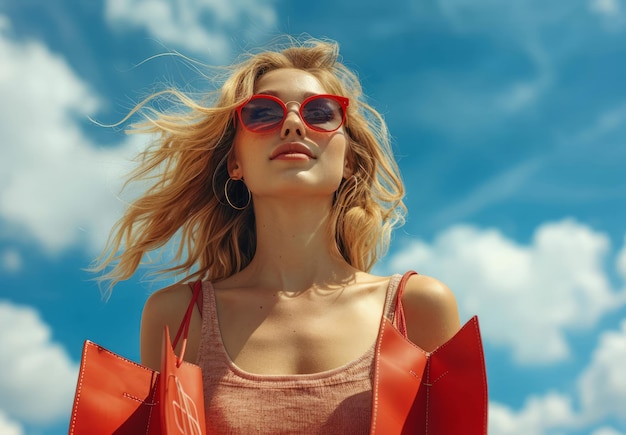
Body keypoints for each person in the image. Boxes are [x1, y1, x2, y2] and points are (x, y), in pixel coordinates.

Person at [97, 37, 462, 434]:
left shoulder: (417, 310)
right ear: (234, 162)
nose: (292, 123)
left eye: (320, 112)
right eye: (261, 112)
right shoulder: (179, 320)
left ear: (350, 162)